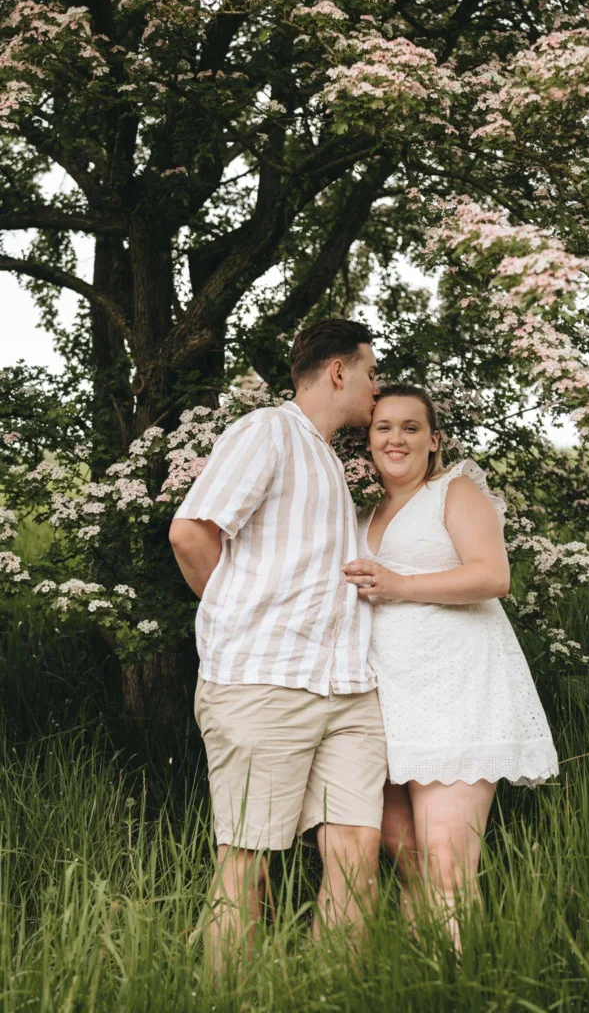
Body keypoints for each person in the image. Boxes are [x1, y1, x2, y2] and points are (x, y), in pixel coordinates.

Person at [169, 318, 386, 970]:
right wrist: (237, 619)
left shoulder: (326, 457)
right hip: (266, 685)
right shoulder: (267, 431)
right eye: (371, 373)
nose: (377, 388)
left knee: (354, 857)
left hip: (349, 691)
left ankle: (333, 991)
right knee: (247, 866)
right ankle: (232, 997)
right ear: (338, 371)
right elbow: (191, 534)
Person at [342, 383, 559, 950]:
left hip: (458, 688)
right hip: (390, 698)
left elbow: (493, 575)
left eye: (411, 427)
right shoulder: (364, 511)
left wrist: (399, 584)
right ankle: (426, 977)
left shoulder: (454, 491)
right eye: (384, 426)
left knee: (446, 862)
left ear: (433, 440)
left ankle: (458, 986)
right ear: (369, 439)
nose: (396, 438)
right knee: (406, 853)